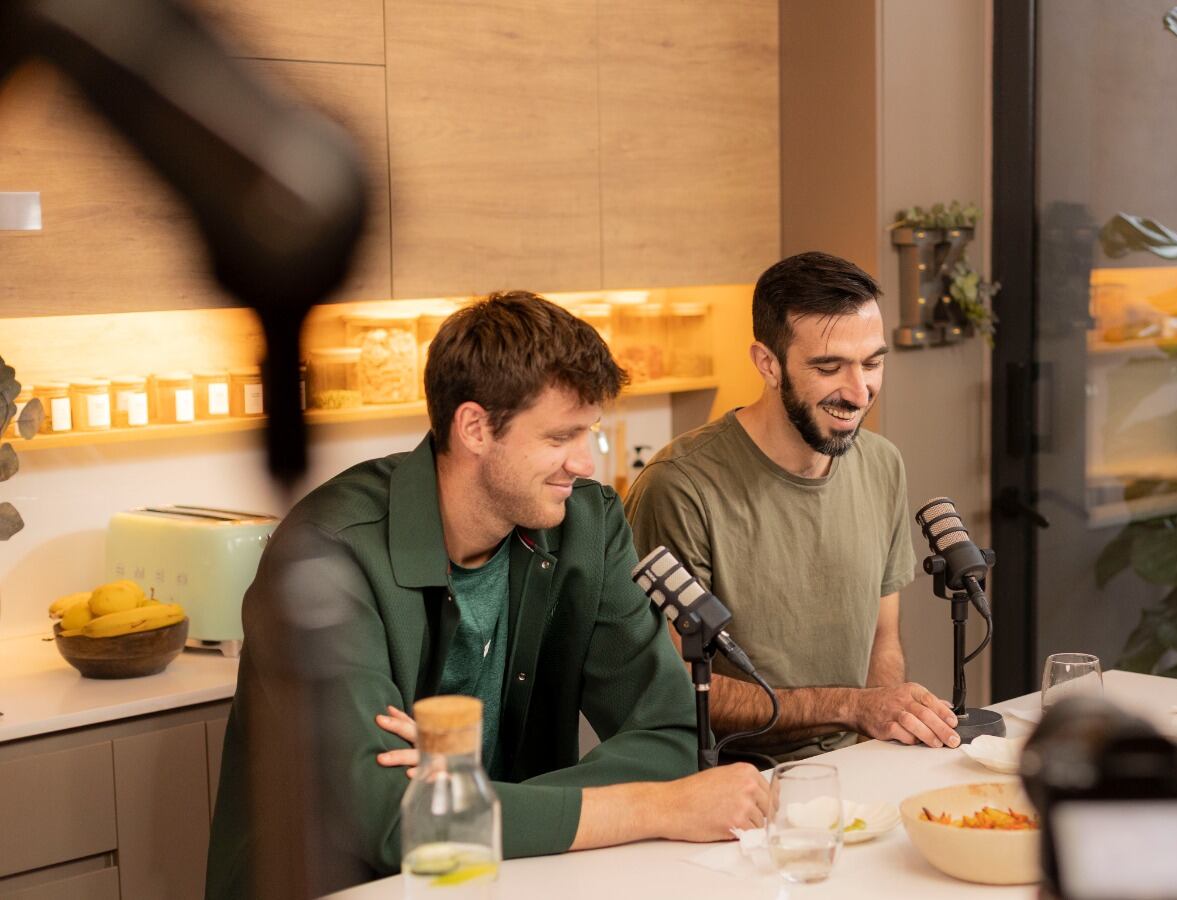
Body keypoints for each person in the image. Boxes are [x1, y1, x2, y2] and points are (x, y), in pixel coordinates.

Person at [206, 292, 770, 899]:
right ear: (474, 427)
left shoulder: (586, 524)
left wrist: (463, 798)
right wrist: (656, 808)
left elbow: (670, 732)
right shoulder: (326, 553)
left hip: (510, 880)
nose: (585, 463)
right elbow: (389, 820)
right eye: (561, 436)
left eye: (591, 433)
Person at [624, 251, 960, 761]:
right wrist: (853, 707)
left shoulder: (882, 464)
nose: (858, 391)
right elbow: (677, 689)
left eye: (871, 363)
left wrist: (876, 750)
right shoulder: (680, 486)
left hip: (855, 766)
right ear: (768, 364)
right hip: (736, 783)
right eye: (829, 367)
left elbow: (882, 642)